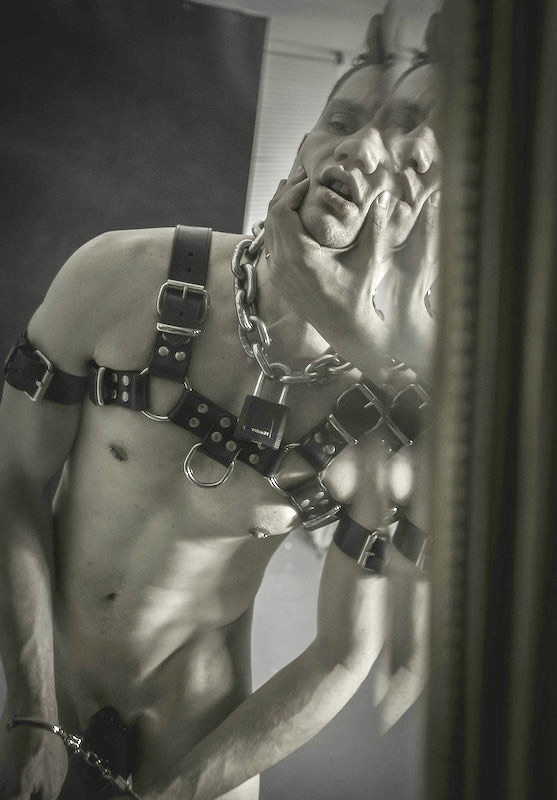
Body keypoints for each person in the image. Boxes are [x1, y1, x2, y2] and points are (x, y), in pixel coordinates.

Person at [0, 7, 441, 799]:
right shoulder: (117, 274)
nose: (359, 151)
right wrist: (31, 710)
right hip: (30, 681)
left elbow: (345, 653)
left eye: (405, 162)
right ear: (304, 143)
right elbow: (12, 484)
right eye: (340, 122)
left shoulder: (396, 416)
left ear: (429, 216)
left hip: (198, 733)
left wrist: (184, 790)